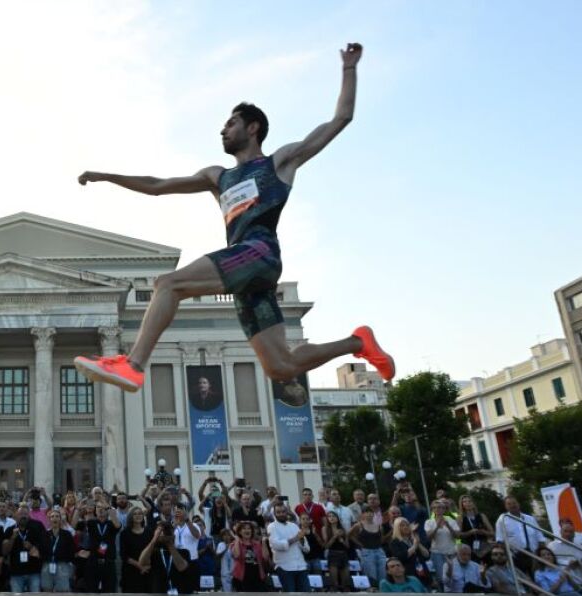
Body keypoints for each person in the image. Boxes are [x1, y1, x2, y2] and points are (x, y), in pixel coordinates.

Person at [73, 43, 394, 399]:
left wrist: (349, 69)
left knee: (168, 284)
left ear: (252, 127)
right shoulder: (217, 177)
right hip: (248, 277)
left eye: (230, 123)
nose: (223, 130)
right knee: (281, 366)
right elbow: (158, 186)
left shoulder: (278, 163)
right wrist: (107, 176)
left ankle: (132, 365)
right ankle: (357, 341)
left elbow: (340, 120)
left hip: (259, 251)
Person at [139, 523, 194, 595]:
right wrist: (154, 539)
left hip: (180, 594)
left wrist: (170, 543)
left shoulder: (184, 552)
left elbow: (181, 567)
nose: (165, 533)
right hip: (159, 594)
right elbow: (141, 562)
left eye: (168, 531)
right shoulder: (154, 552)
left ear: (174, 534)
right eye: (161, 531)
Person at [267, 504, 310, 592]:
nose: (281, 514)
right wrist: (295, 539)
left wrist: (301, 539)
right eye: (278, 512)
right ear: (274, 514)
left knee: (306, 595)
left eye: (283, 512)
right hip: (284, 568)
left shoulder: (294, 526)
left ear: (287, 512)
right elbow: (276, 545)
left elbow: (306, 548)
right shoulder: (272, 526)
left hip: (300, 567)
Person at [3, 504, 46, 593]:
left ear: (29, 516)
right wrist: (12, 538)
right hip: (16, 573)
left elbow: (44, 547)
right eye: (21, 514)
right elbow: (5, 551)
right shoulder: (9, 530)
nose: (23, 516)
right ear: (15, 516)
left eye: (25, 514)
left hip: (33, 571)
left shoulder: (36, 529)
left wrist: (32, 547)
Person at [494, 496, 545, 571]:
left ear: (518, 504)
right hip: (516, 557)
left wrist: (540, 555)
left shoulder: (530, 519)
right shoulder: (502, 520)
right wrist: (508, 558)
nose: (512, 505)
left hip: (534, 556)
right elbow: (500, 541)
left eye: (514, 503)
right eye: (509, 504)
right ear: (505, 506)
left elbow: (540, 538)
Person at [424, 501, 459, 591]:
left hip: (451, 552)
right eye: (435, 507)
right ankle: (442, 595)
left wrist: (448, 526)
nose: (438, 509)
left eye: (441, 507)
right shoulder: (429, 522)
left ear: (444, 510)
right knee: (441, 577)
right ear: (432, 510)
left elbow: (457, 536)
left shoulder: (451, 521)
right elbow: (429, 537)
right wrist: (437, 527)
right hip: (437, 553)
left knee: (453, 575)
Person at [349, 507, 385, 590]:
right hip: (366, 551)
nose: (369, 514)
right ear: (363, 514)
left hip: (379, 550)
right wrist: (359, 544)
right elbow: (349, 535)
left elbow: (382, 539)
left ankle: (383, 590)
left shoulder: (379, 526)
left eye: (371, 512)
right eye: (366, 512)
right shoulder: (359, 525)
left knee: (383, 573)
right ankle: (372, 591)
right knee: (371, 574)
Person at [230, 520, 270, 592]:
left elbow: (265, 558)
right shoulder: (234, 544)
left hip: (257, 577)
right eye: (244, 529)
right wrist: (237, 539)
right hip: (241, 578)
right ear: (239, 532)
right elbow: (236, 556)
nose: (247, 530)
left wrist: (263, 542)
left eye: (249, 529)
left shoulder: (257, 544)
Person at [42, 508, 76, 592]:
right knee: (47, 589)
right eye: (52, 516)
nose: (55, 518)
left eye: (57, 516)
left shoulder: (67, 534)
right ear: (49, 520)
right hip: (47, 564)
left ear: (60, 519)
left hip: (62, 565)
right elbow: (41, 550)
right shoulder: (45, 535)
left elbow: (71, 550)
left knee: (63, 590)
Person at [121, 507, 153, 593]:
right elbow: (124, 555)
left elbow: (153, 552)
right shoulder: (125, 533)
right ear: (130, 516)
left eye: (140, 513)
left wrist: (147, 566)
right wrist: (140, 566)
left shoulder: (149, 532)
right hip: (131, 571)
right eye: (135, 514)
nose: (138, 515)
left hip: (147, 570)